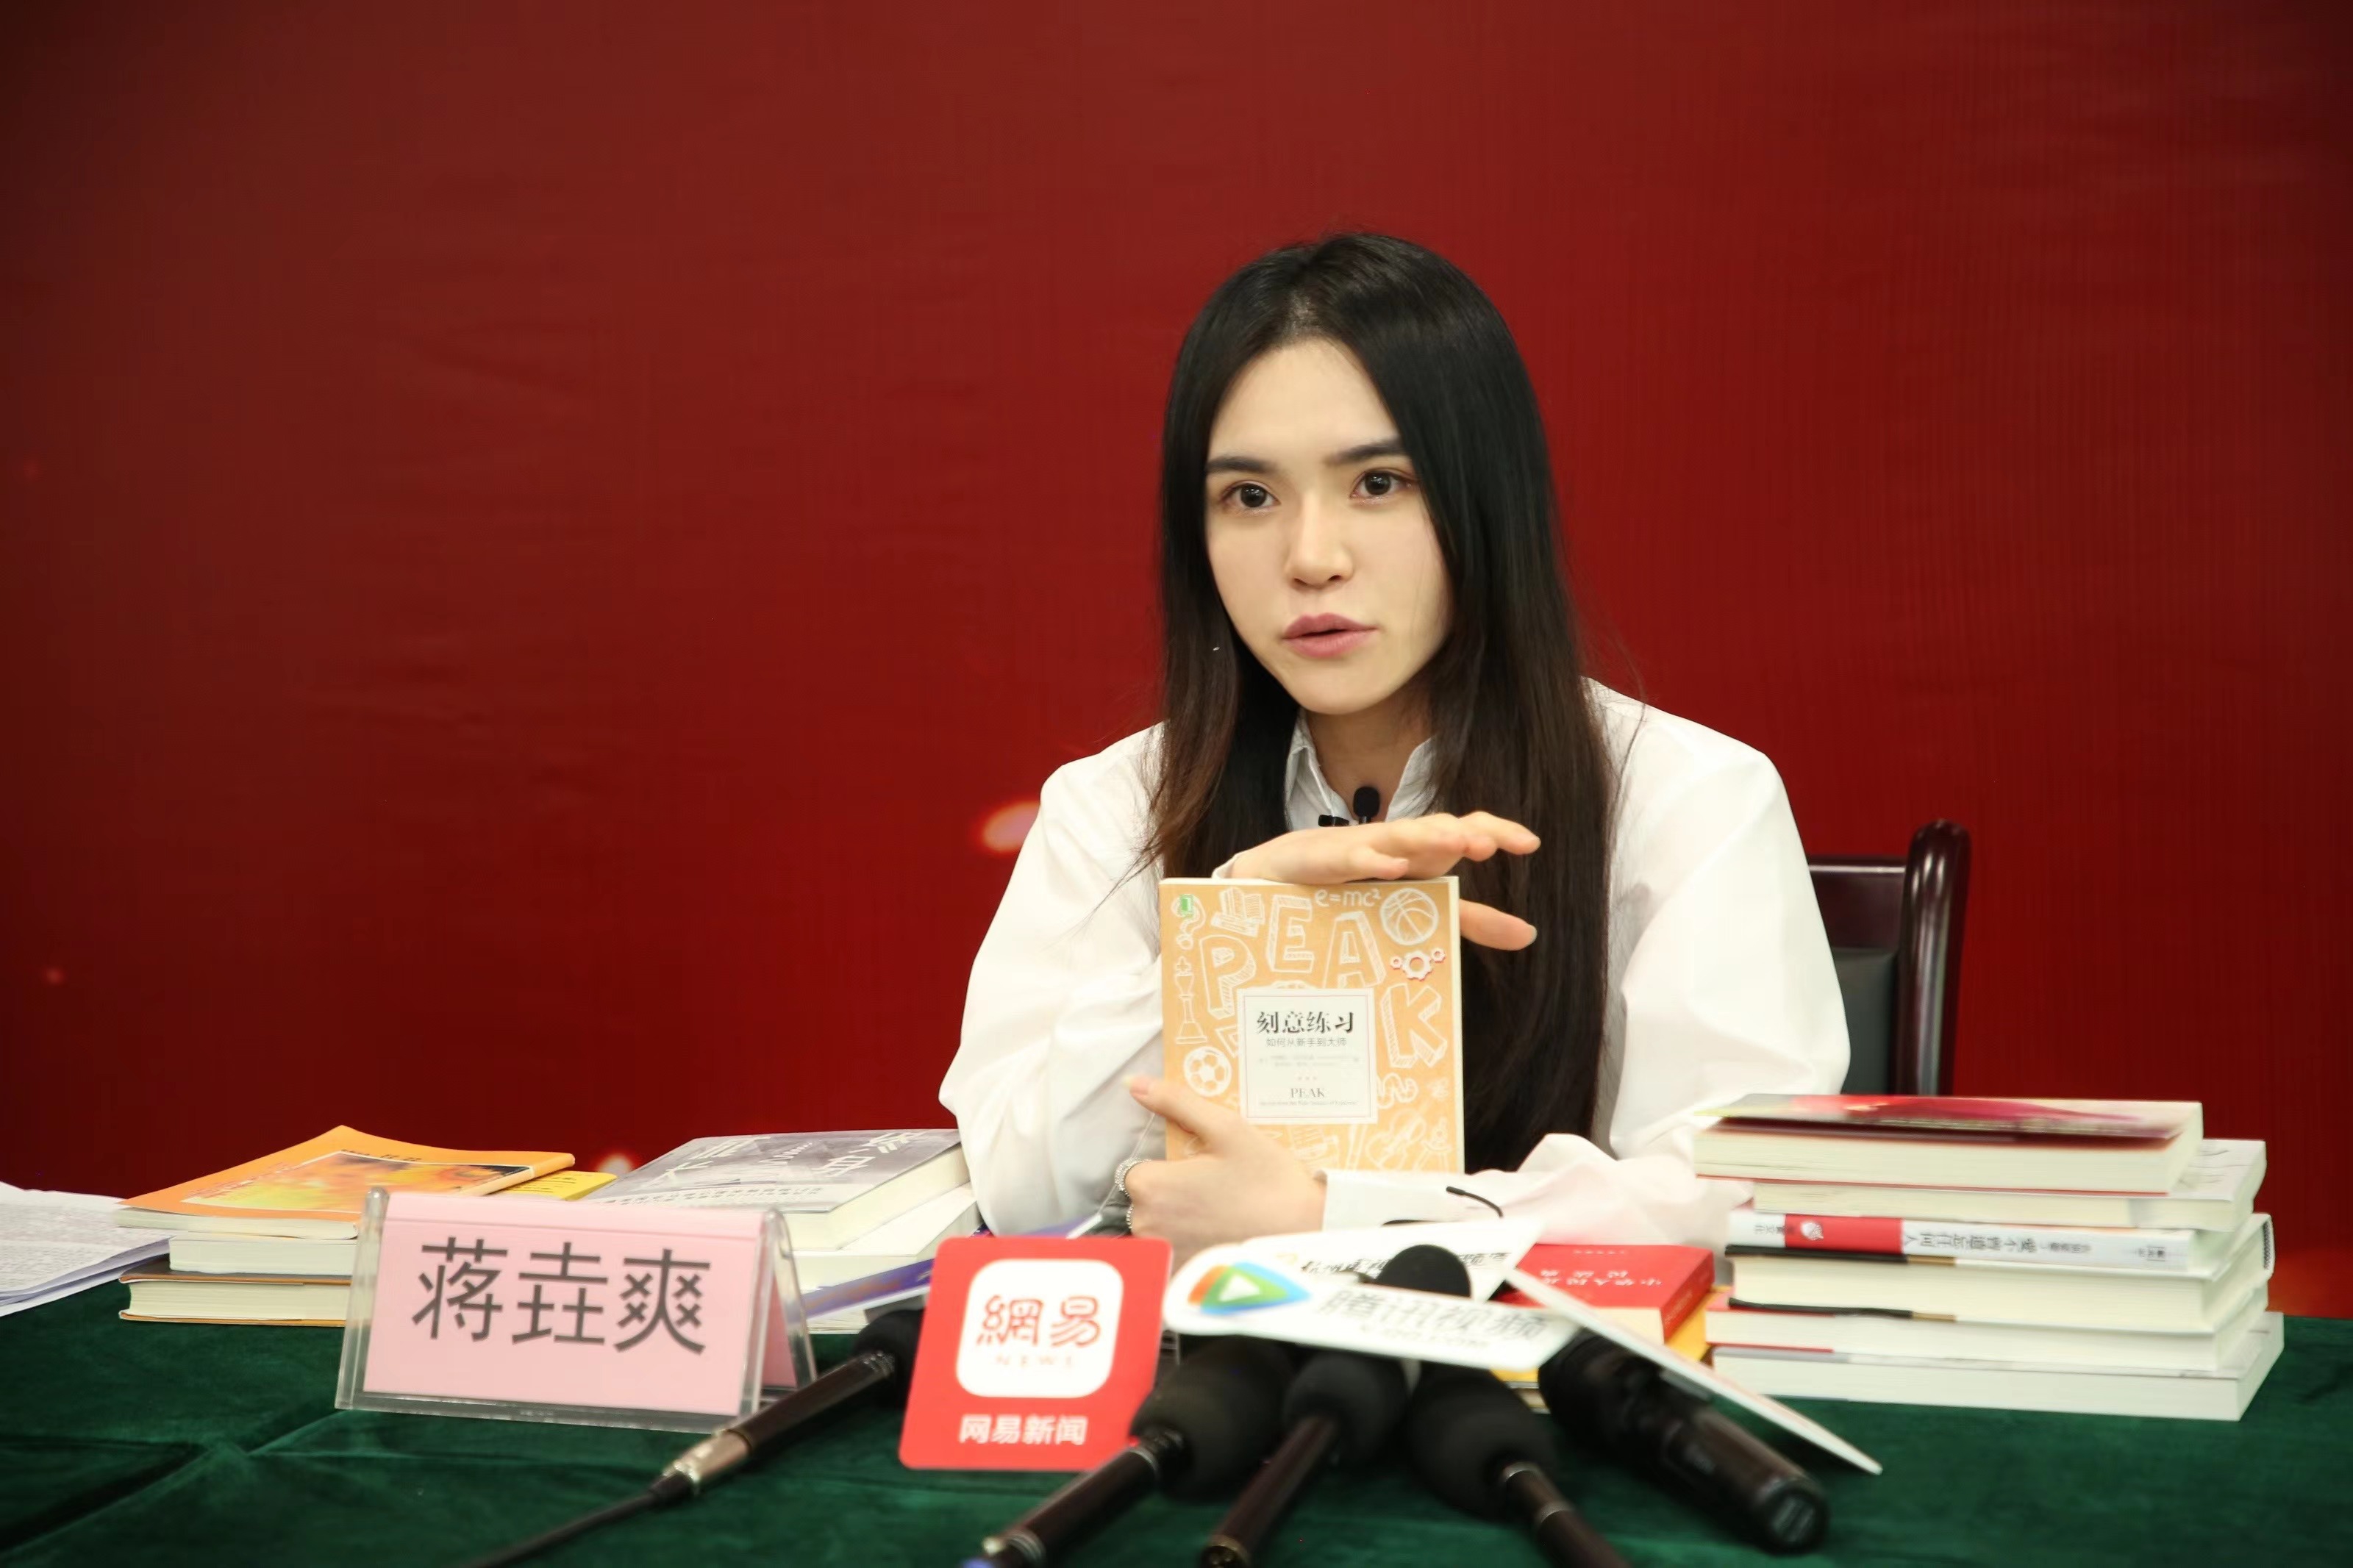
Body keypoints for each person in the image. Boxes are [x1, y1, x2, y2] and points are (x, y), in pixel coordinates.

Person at [940, 234, 1846, 1260]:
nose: (1311, 558)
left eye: (1378, 482)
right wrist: (1233, 931)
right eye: (1249, 496)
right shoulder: (1112, 807)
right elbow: (1023, 1193)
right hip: (1210, 1353)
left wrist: (1338, 1218)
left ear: (1484, 498)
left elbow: (1734, 1195)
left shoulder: (1689, 799)